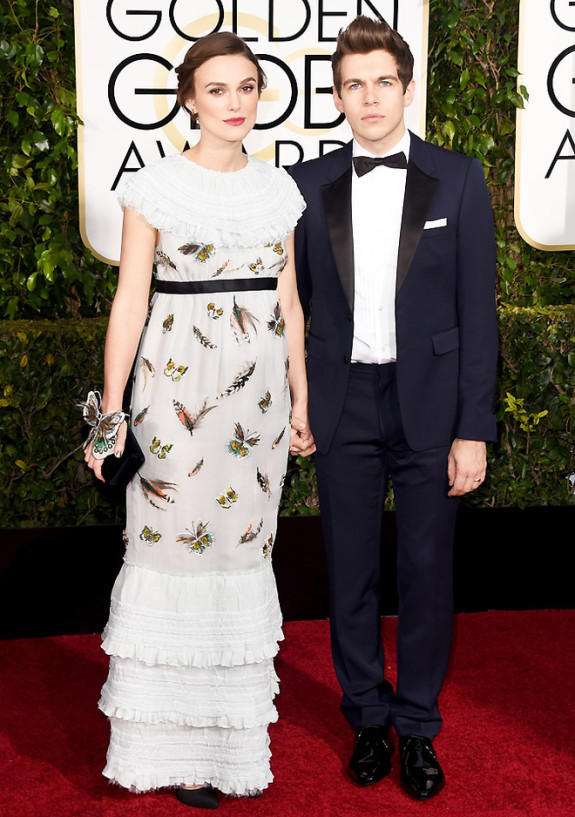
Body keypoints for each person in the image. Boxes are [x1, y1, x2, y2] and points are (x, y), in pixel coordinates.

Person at [84, 31, 314, 809]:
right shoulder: (153, 187)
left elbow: (287, 303)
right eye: (217, 90)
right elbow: (130, 302)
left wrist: (302, 394)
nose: (235, 103)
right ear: (188, 99)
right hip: (172, 394)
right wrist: (111, 417)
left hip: (258, 409)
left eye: (246, 87)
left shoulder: (279, 191)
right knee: (171, 549)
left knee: (238, 553)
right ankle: (168, 744)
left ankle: (224, 741)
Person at [289, 15, 497, 801]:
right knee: (349, 574)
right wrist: (299, 400)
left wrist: (472, 428)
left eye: (382, 81)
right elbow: (293, 309)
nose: (368, 97)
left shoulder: (460, 178)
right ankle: (364, 718)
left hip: (431, 408)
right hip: (343, 405)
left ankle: (416, 727)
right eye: (352, 84)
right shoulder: (308, 185)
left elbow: (478, 315)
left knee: (424, 571)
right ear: (336, 95)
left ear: (406, 88)